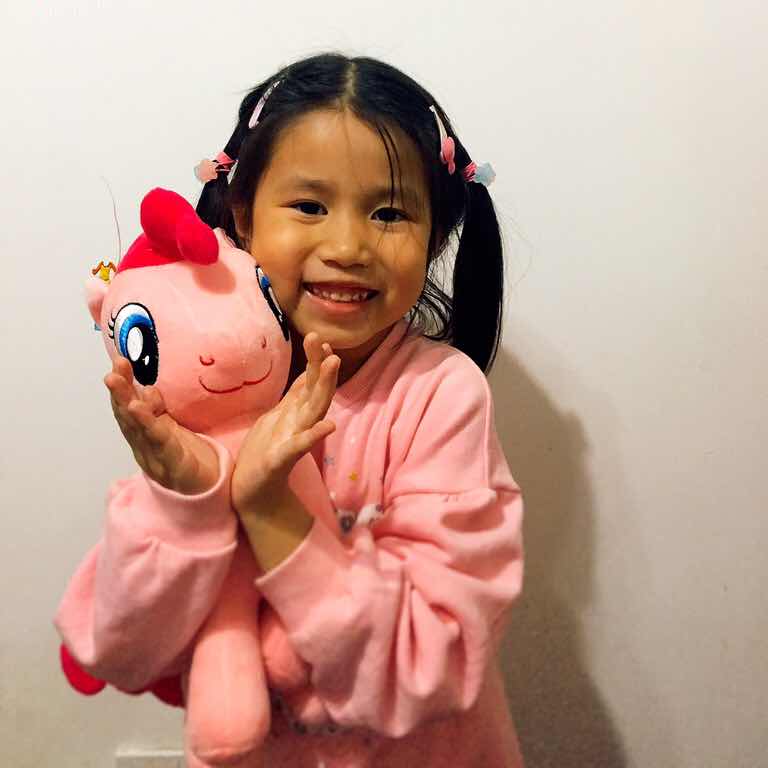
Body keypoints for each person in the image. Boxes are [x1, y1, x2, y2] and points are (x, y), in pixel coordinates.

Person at [56, 52, 525, 767]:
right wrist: (185, 504)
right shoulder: (206, 387)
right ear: (242, 214)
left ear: (435, 235)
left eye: (389, 212)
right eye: (309, 206)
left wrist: (269, 508)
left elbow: (435, 663)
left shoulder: (439, 396)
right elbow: (122, 651)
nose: (347, 246)